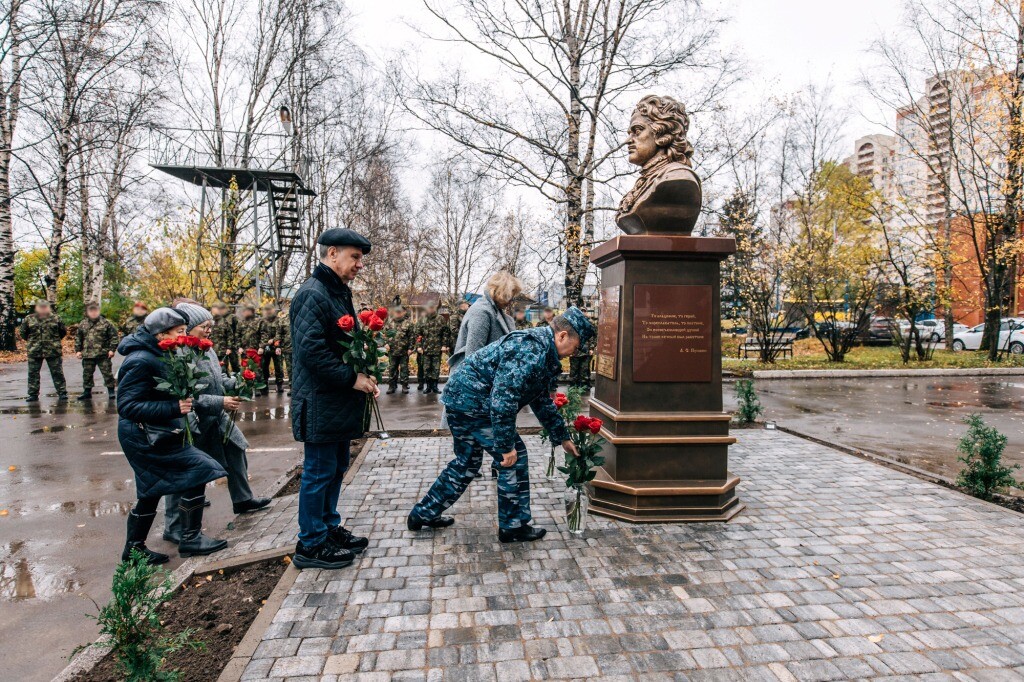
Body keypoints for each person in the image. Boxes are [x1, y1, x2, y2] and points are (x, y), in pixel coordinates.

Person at [408, 307, 595, 543]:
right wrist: (506, 446)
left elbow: (540, 399)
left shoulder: (542, 350)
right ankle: (513, 526)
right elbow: (503, 399)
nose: (574, 354)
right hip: (474, 406)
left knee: (465, 463)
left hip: (461, 402)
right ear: (562, 336)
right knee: (515, 458)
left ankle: (422, 513)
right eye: (576, 347)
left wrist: (563, 438)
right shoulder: (530, 349)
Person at [289, 228, 376, 570]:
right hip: (321, 401)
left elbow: (343, 344)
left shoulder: (336, 292)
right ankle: (310, 543)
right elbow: (311, 352)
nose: (359, 265)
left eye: (360, 259)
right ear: (332, 253)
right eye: (354, 257)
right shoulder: (314, 293)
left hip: (335, 401)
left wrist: (365, 372)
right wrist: (352, 378)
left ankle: (327, 528)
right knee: (319, 471)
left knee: (336, 467)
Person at [116, 308, 228, 563]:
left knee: (151, 489)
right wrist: (173, 407)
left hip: (156, 432)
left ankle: (134, 550)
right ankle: (191, 538)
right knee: (200, 468)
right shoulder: (140, 359)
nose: (183, 336)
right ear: (161, 333)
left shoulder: (161, 353)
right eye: (179, 332)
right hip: (144, 436)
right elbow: (126, 407)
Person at [162, 302, 272, 544]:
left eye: (211, 325)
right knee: (185, 472)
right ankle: (173, 526)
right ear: (190, 328)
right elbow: (188, 395)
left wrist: (239, 382)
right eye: (205, 326)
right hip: (193, 422)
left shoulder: (206, 349)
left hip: (216, 416)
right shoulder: (180, 353)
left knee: (235, 448)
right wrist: (220, 401)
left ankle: (243, 499)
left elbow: (218, 378)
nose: (210, 330)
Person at [20, 299, 68, 402]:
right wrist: (33, 342)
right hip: (34, 350)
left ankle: (62, 392)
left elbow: (63, 332)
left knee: (57, 372)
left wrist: (53, 341)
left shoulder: (56, 318)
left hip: (53, 349)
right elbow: (23, 333)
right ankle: (33, 394)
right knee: (33, 373)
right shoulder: (29, 319)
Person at [75, 301, 118, 401]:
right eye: (91, 310)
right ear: (87, 312)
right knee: (87, 374)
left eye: (95, 310)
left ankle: (111, 391)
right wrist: (77, 350)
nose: (93, 313)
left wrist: (112, 349)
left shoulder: (106, 323)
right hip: (87, 354)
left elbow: (114, 337)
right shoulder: (83, 323)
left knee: (107, 373)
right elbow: (78, 338)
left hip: (103, 354)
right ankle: (87, 392)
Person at [416, 302, 450, 394]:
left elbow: (445, 333)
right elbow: (418, 335)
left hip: (437, 348)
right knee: (426, 368)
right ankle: (428, 387)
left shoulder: (441, 319)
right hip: (425, 349)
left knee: (436, 368)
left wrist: (444, 345)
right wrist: (419, 347)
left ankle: (435, 386)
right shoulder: (422, 319)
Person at [385, 305, 413, 394]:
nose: (398, 313)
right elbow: (384, 335)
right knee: (392, 368)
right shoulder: (390, 323)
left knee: (404, 369)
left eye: (400, 311)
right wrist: (385, 343)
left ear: (403, 312)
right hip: (392, 351)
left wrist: (410, 348)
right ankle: (391, 386)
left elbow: (412, 337)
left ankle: (404, 386)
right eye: (396, 311)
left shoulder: (408, 323)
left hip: (404, 351)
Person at [259, 303, 285, 394]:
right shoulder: (262, 321)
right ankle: (264, 386)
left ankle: (279, 385)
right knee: (264, 367)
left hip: (275, 347)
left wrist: (273, 340)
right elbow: (260, 334)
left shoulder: (278, 320)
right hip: (265, 348)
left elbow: (279, 334)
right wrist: (261, 346)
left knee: (278, 367)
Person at [210, 301, 240, 375]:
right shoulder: (209, 321)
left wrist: (229, 348)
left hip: (223, 350)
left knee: (224, 369)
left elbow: (230, 335)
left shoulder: (225, 321)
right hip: (212, 350)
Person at [569, 312, 596, 391]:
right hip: (575, 350)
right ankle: (573, 385)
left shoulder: (590, 324)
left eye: (584, 312)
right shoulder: (572, 324)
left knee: (585, 369)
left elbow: (595, 336)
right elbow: (569, 336)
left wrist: (591, 348)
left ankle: (584, 385)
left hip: (586, 351)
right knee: (574, 369)